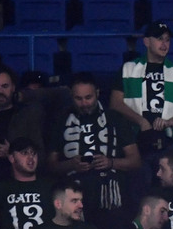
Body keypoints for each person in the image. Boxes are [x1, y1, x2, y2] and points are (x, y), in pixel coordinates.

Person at [45, 73, 142, 216]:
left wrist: (111, 162)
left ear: (97, 93)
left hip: (111, 195)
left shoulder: (115, 118)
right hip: (72, 192)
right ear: (71, 96)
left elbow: (136, 161)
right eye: (78, 98)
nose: (84, 103)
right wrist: (71, 164)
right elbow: (49, 166)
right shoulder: (60, 121)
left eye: (88, 97)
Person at [110, 20, 173, 156]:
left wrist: (170, 122)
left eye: (167, 40)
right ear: (146, 42)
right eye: (159, 39)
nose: (164, 44)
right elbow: (115, 103)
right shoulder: (128, 68)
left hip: (169, 139)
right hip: (133, 138)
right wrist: (141, 121)